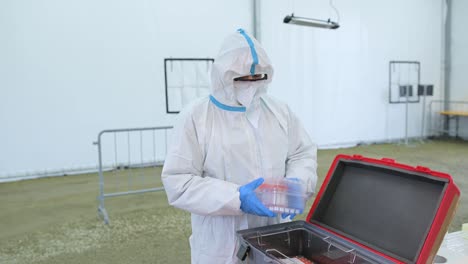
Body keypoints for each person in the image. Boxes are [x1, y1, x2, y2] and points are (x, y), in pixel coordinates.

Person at [161, 29, 317, 264]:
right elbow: (178, 182)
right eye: (243, 79)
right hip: (221, 240)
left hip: (273, 232)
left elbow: (302, 153)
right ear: (223, 76)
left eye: (258, 78)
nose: (251, 85)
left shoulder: (279, 111)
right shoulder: (196, 117)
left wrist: (298, 182)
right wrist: (236, 197)